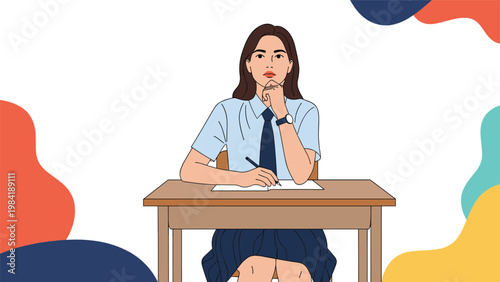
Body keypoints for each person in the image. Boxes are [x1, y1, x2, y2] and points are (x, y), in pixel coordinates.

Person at [180, 24, 336, 282]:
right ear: (248, 64)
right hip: (242, 220)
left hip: (297, 222)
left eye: (278, 55)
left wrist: (282, 113)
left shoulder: (306, 111)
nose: (269, 62)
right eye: (260, 55)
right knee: (255, 268)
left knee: (294, 271)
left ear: (290, 65)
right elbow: (189, 169)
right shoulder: (227, 111)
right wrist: (240, 178)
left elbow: (300, 176)